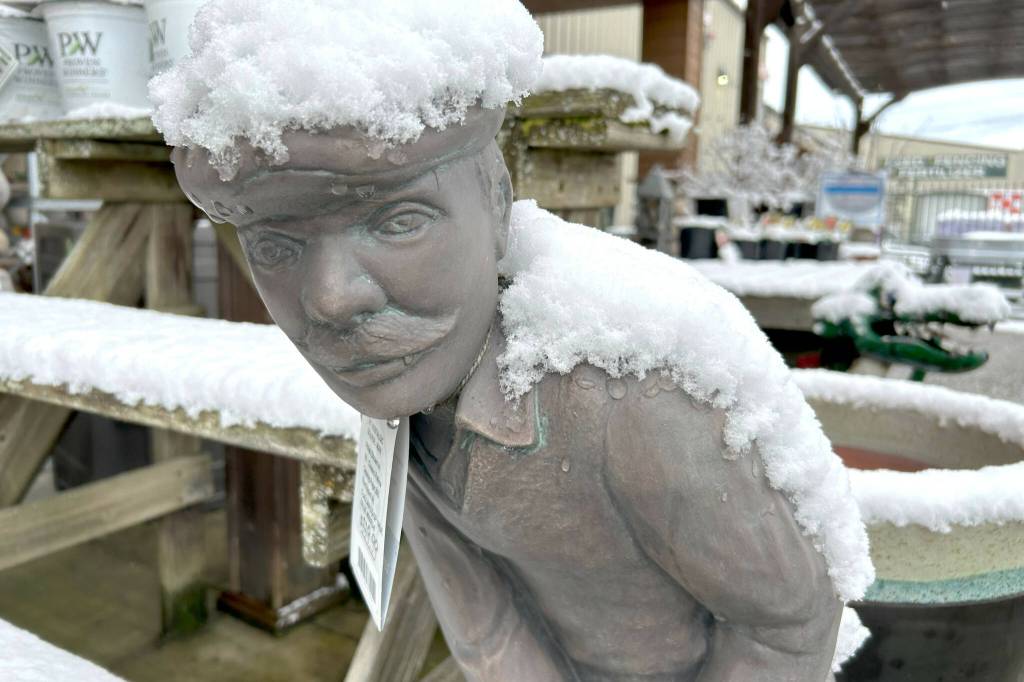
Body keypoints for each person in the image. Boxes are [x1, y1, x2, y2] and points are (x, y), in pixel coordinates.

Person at [154, 2, 873, 679]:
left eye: (399, 221)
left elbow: (788, 623)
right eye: (276, 246)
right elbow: (482, 622)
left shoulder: (629, 392)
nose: (332, 298)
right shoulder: (400, 378)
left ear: (496, 203)